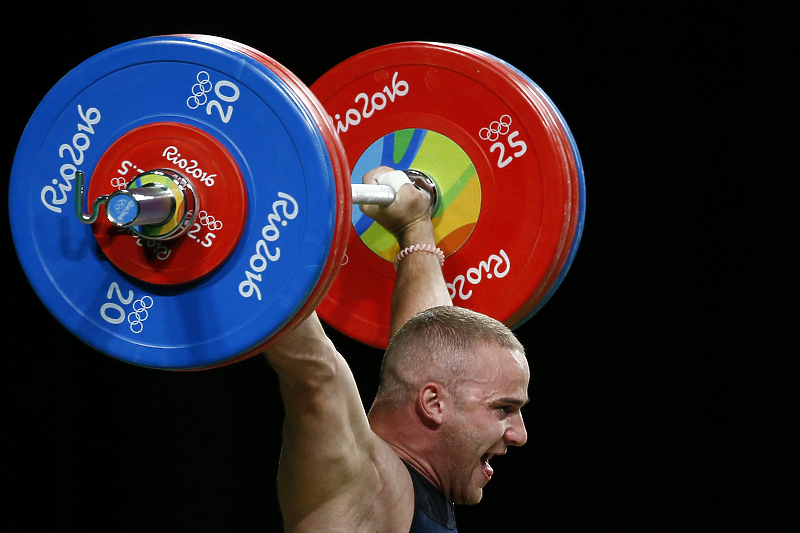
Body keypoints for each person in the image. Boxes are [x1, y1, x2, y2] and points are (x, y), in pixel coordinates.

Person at [263, 167, 530, 532]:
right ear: (433, 404)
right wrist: (252, 237)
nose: (519, 434)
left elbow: (429, 334)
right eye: (504, 408)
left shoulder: (425, 490)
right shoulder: (362, 486)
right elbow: (316, 373)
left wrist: (414, 225)